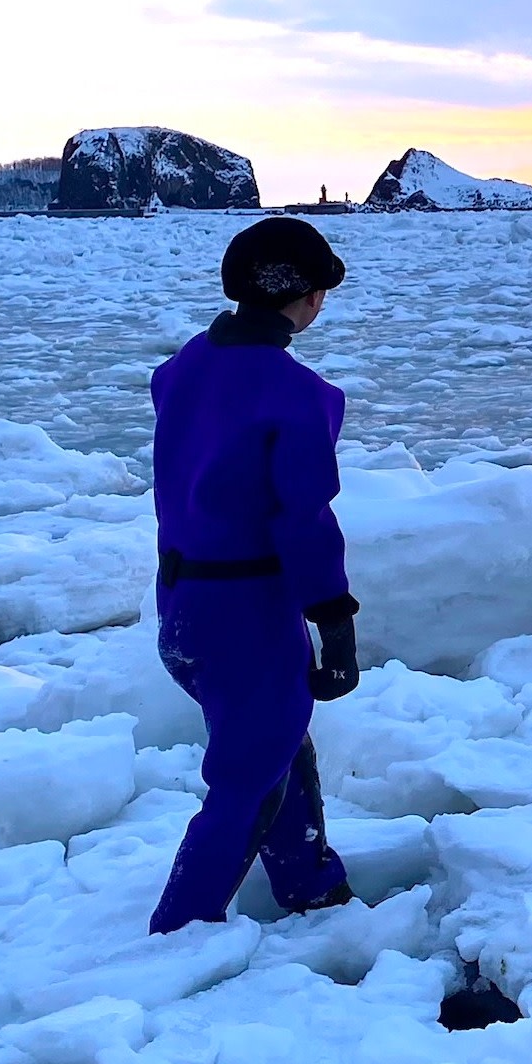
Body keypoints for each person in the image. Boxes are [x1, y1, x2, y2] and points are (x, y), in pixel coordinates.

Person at [146, 216, 361, 934]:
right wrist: (334, 621)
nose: (321, 301)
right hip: (246, 611)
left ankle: (310, 884)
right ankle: (176, 935)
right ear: (301, 295)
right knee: (246, 779)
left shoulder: (183, 369)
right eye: (320, 287)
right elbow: (302, 520)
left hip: (181, 602)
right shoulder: (297, 395)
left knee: (272, 744)